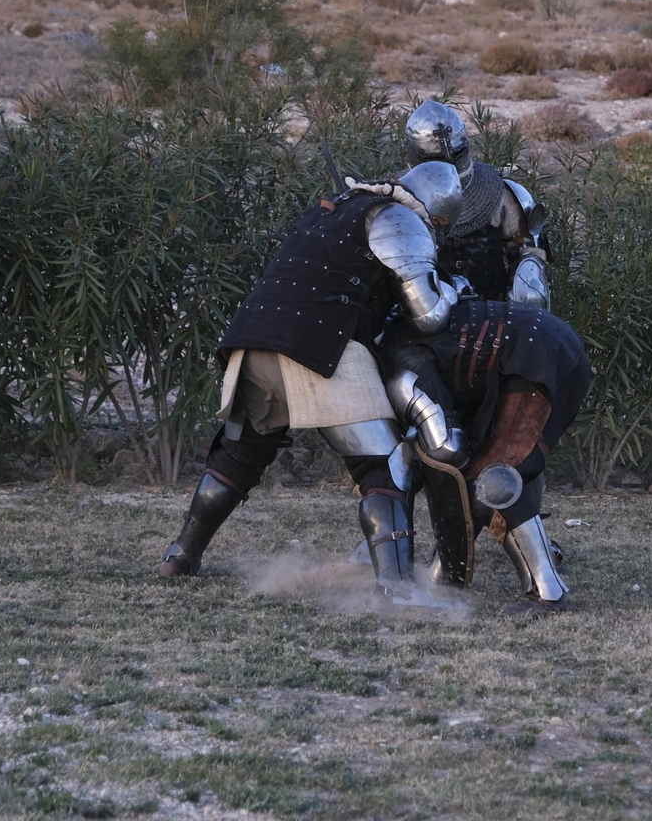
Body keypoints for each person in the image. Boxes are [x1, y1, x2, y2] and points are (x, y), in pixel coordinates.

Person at [156, 161, 463, 599]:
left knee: (238, 457)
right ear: (436, 214)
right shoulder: (399, 219)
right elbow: (429, 315)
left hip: (254, 338)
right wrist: (453, 288)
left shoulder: (332, 209)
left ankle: (179, 555)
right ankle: (396, 587)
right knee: (386, 463)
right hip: (319, 344)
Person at [382, 298, 591, 618]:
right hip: (538, 351)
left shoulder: (401, 353)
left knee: (492, 481)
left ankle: (548, 593)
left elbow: (445, 451)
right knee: (481, 482)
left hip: (536, 352)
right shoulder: (402, 341)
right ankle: (533, 566)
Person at [403, 99, 550, 309]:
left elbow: (528, 249)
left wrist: (525, 293)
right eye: (436, 160)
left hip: (491, 311)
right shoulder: (397, 197)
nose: (449, 167)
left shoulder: (499, 192)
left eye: (455, 156)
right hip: (420, 311)